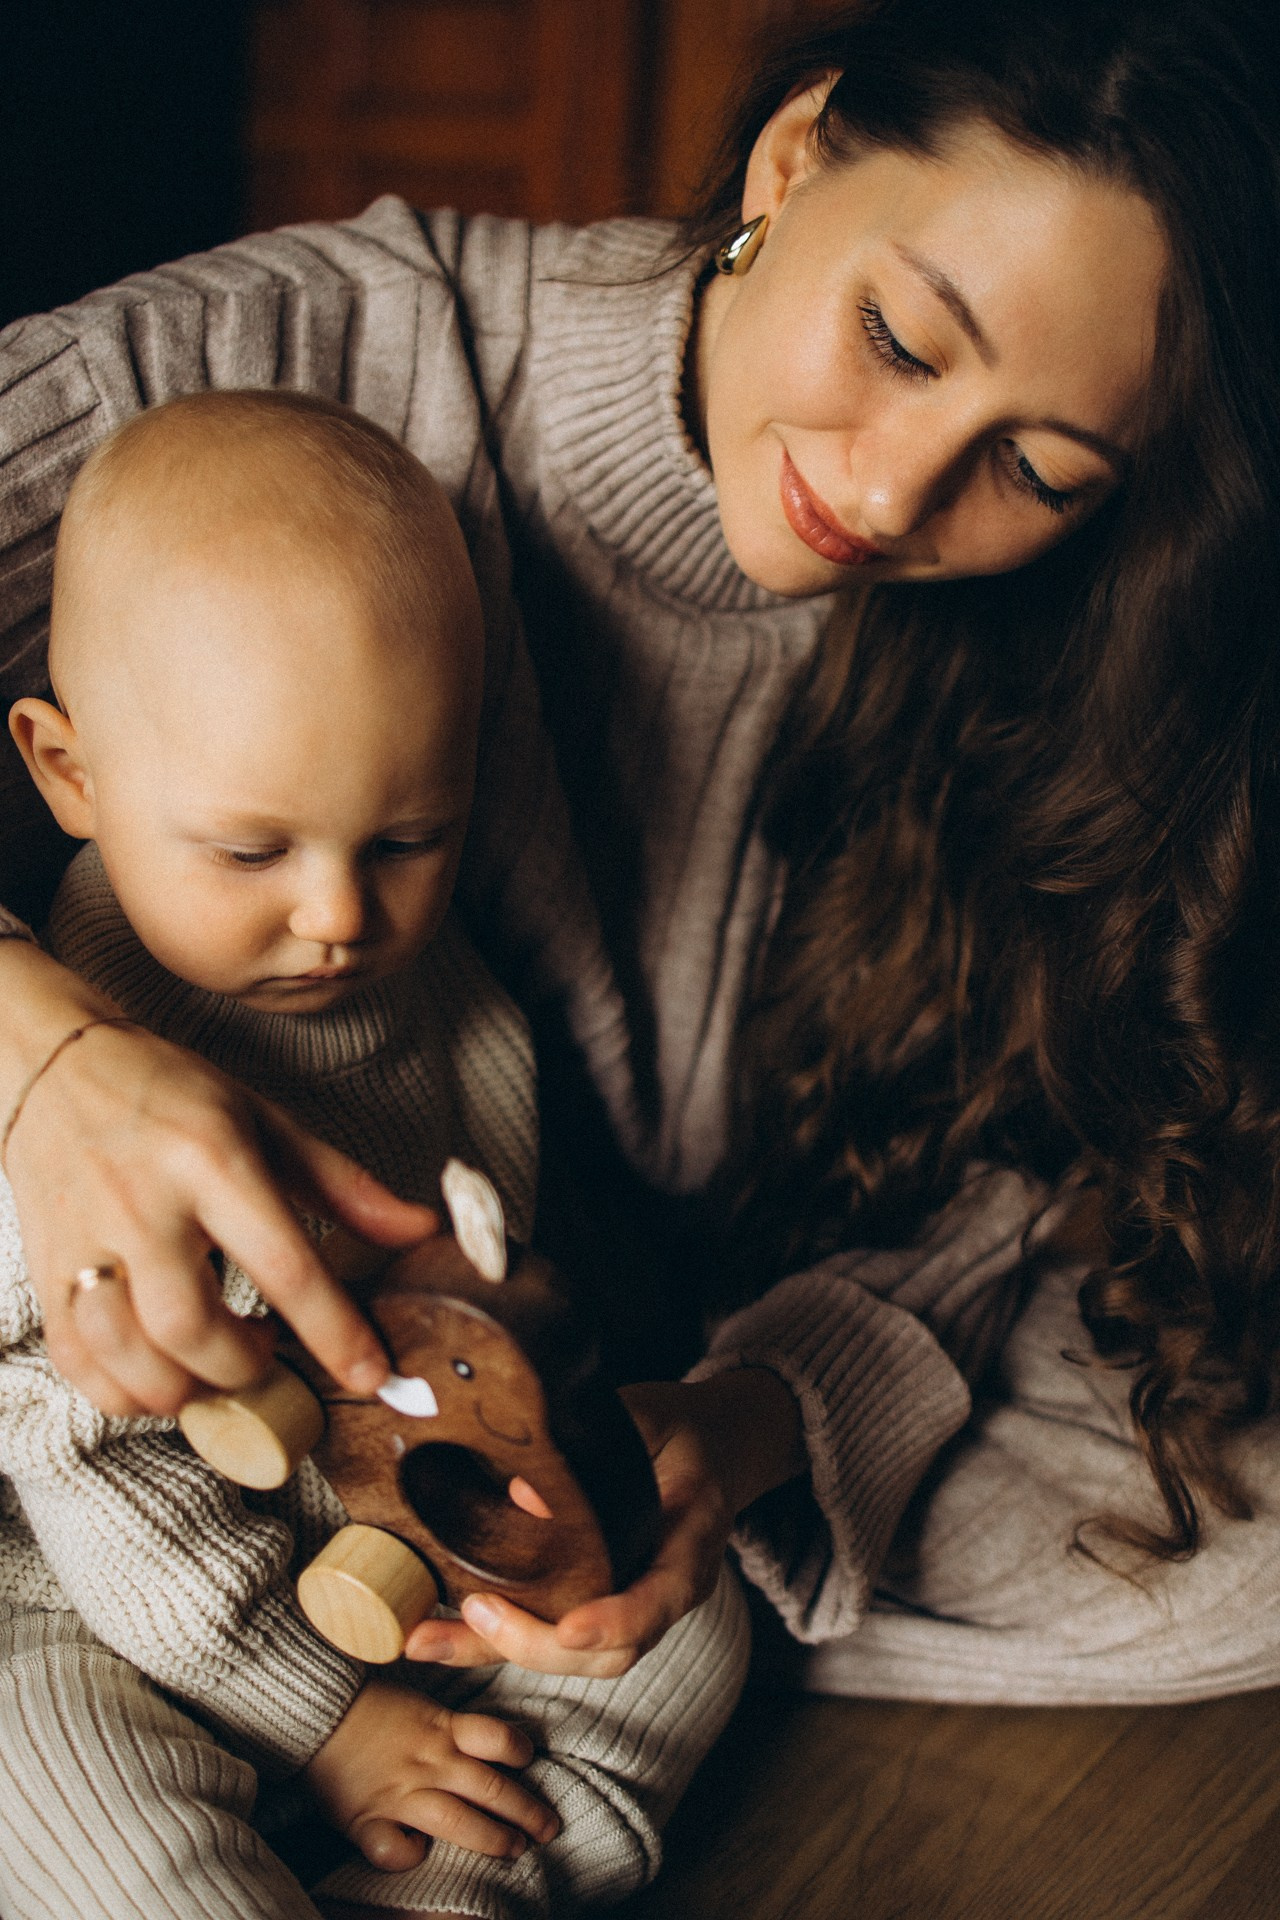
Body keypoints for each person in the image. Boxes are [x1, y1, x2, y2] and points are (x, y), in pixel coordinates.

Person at [0, 0, 1276, 1833]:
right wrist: (45, 1065)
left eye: (1042, 467)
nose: (895, 488)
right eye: (900, 337)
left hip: (612, 1393)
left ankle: (508, 1705)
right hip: (154, 1391)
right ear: (792, 161)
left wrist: (754, 1426)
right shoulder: (314, 352)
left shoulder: (1078, 635)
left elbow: (1029, 1181)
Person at [0, 390, 747, 1920]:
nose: (340, 914)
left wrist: (517, 1544)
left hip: (394, 1552)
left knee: (694, 1624)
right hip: (89, 1605)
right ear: (69, 774)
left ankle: (459, 1878)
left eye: (407, 838)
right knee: (60, 1789)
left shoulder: (457, 1014)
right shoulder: (60, 1103)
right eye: (254, 851)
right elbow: (91, 1478)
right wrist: (321, 1717)